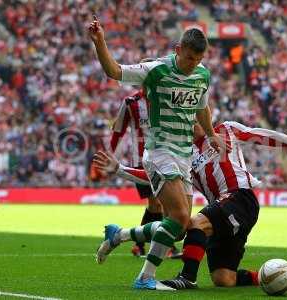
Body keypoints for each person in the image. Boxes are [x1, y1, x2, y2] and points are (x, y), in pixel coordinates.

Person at [93, 121, 287, 289]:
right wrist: (120, 170)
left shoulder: (225, 130)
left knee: (193, 223)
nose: (190, 125)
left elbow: (258, 135)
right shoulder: (185, 156)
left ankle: (187, 278)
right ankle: (270, 276)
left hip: (240, 197)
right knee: (223, 279)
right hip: (221, 209)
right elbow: (155, 174)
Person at [88, 16, 224, 290]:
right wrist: (100, 41)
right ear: (177, 49)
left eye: (197, 60)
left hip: (184, 155)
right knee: (180, 218)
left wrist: (211, 134)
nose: (192, 65)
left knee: (180, 226)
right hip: (160, 151)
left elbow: (202, 107)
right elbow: (114, 71)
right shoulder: (156, 70)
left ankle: (120, 235)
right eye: (188, 59)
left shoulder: (202, 75)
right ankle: (145, 277)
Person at [109, 89, 181, 258]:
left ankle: (139, 245)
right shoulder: (131, 102)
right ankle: (166, 245)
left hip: (164, 158)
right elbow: (118, 129)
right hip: (141, 161)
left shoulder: (166, 97)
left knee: (155, 205)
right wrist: (110, 154)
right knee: (159, 204)